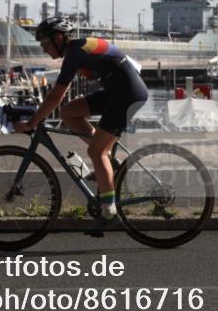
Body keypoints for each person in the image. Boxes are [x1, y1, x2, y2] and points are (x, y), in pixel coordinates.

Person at [14, 17, 148, 221]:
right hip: (117, 91)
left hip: (127, 94)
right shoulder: (76, 50)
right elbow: (60, 102)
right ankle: (107, 159)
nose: (44, 49)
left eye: (45, 44)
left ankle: (109, 209)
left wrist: (32, 123)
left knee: (95, 151)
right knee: (68, 113)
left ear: (58, 38)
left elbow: (55, 96)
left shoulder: (75, 53)